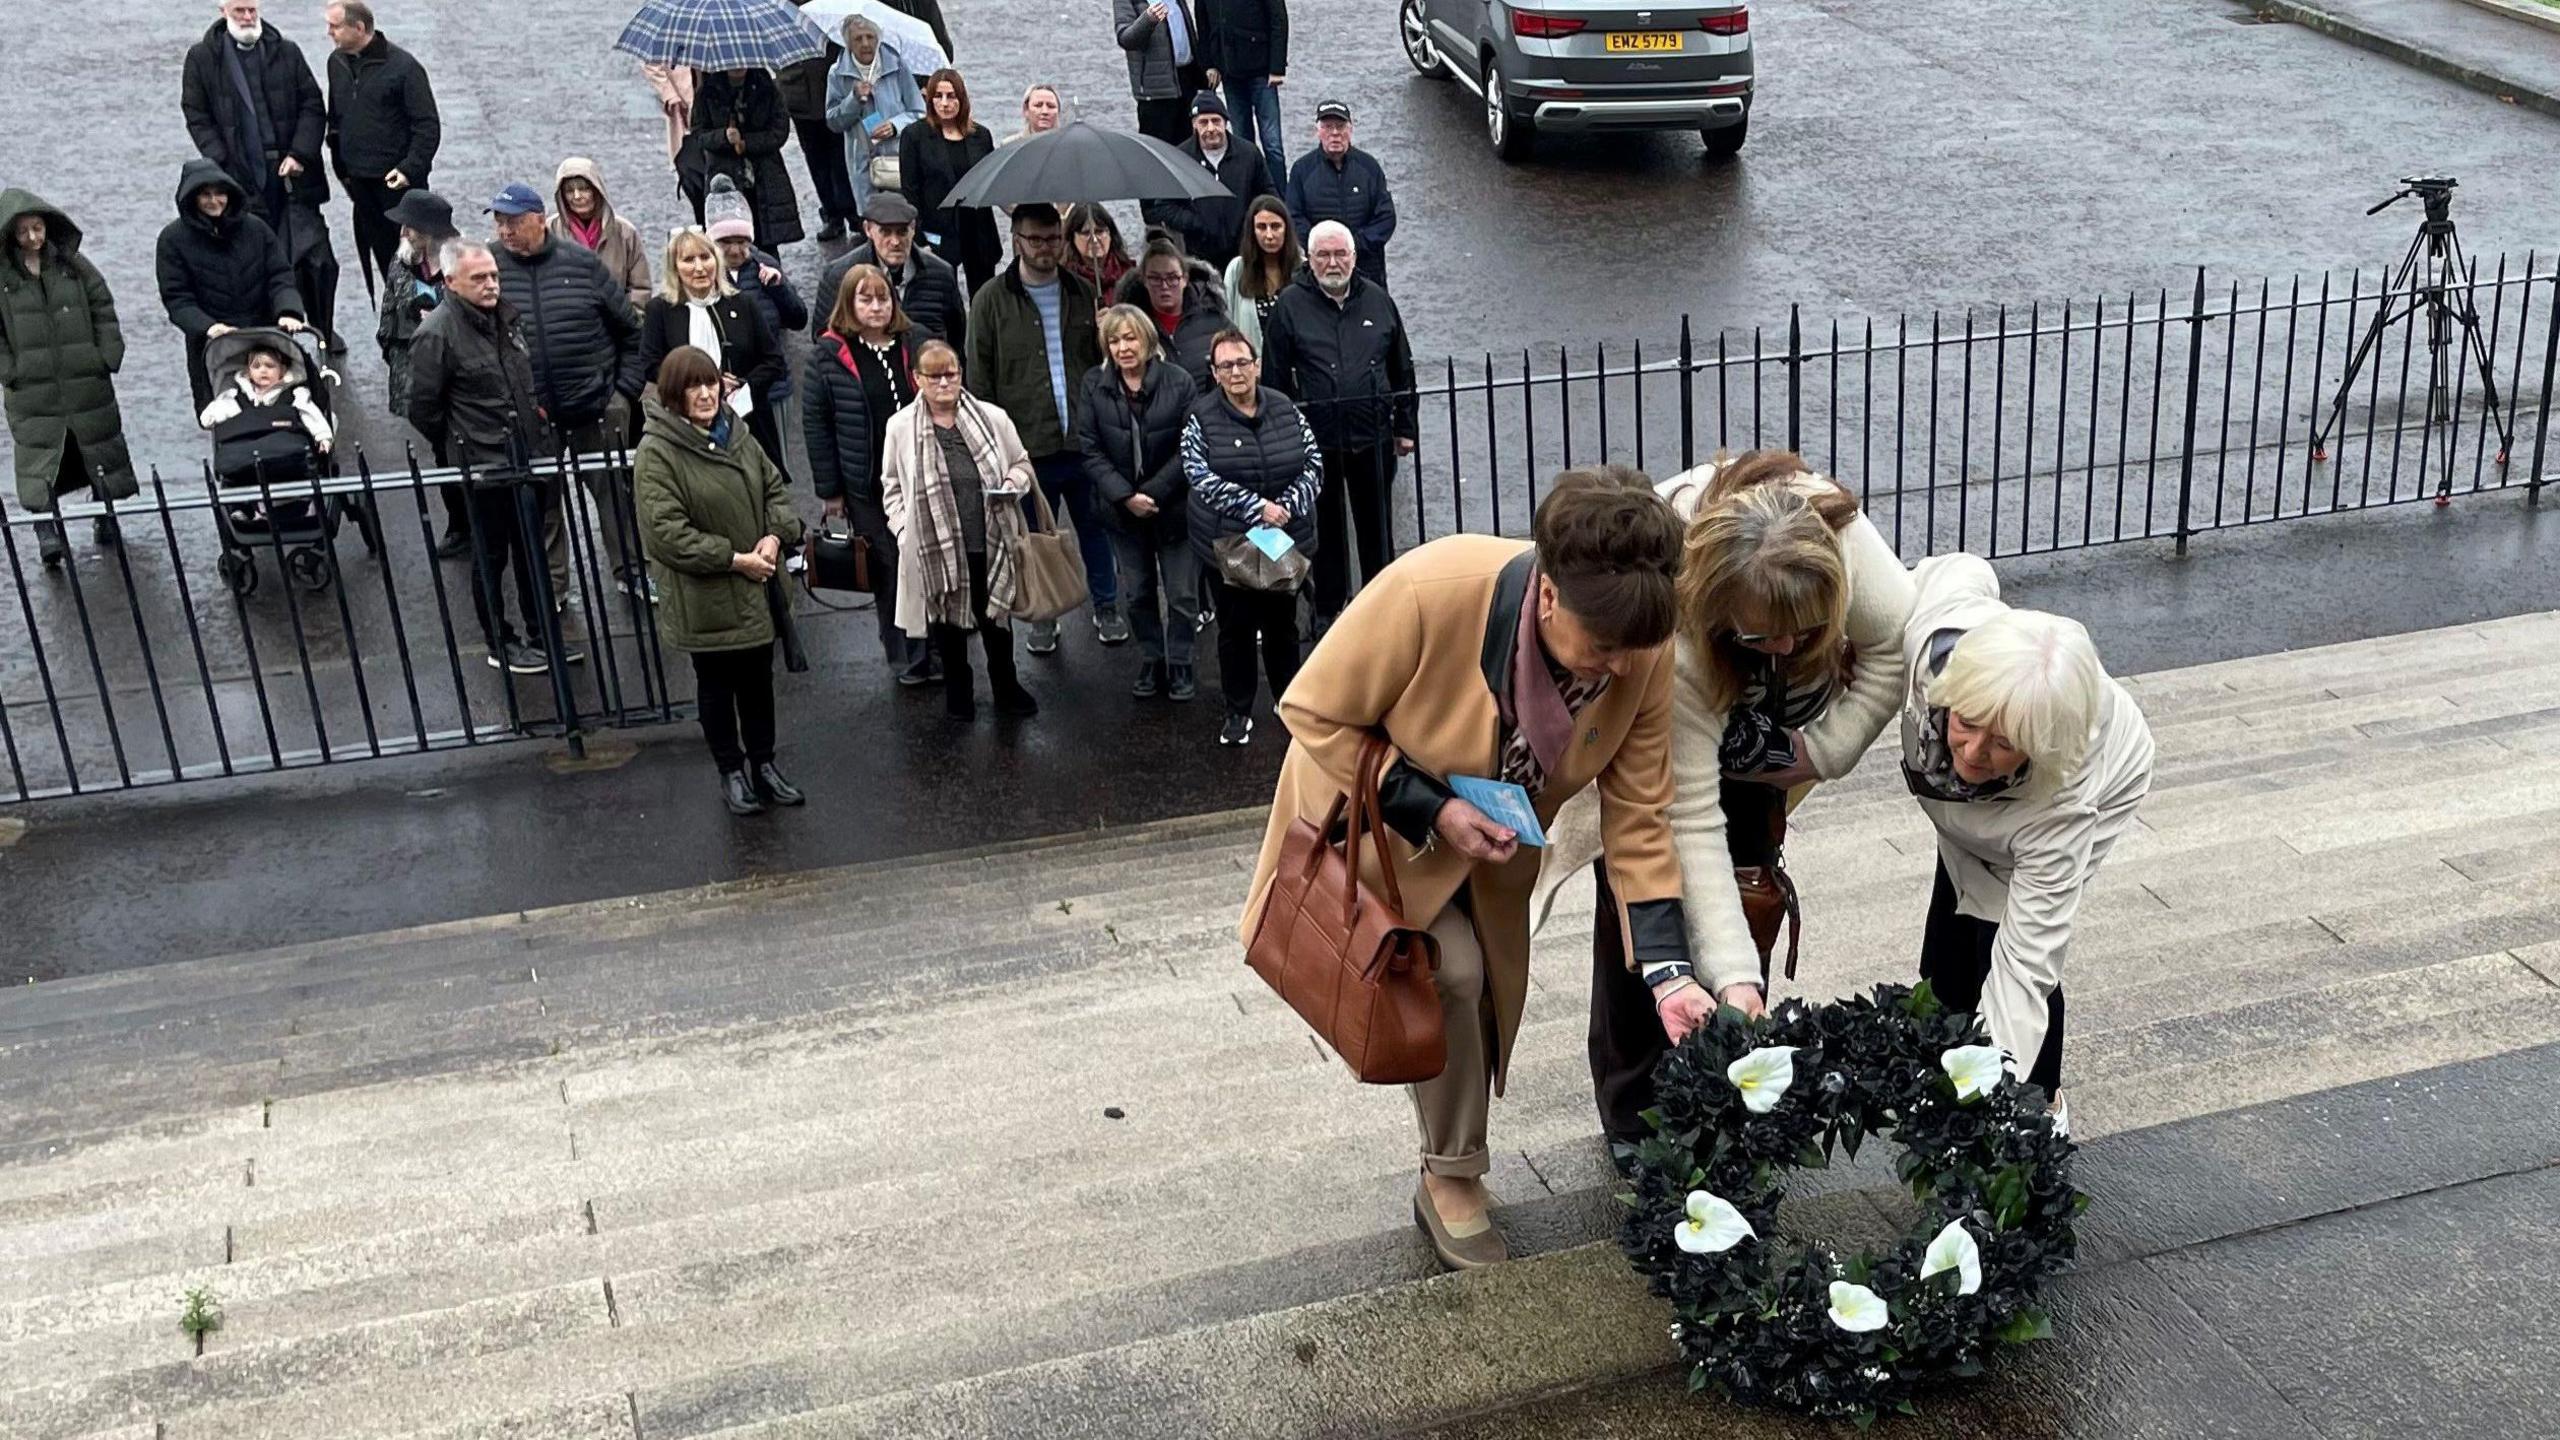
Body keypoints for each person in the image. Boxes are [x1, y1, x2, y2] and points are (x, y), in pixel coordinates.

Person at [1239, 468, 1706, 1269]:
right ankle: (1451, 1177)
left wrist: (1668, 972)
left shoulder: (1640, 645)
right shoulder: (1432, 588)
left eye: (1637, 652)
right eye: (1602, 651)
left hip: (1492, 851)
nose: (1621, 671)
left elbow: (1638, 815)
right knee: (1450, 973)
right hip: (1375, 823)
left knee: (1480, 987)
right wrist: (1433, 806)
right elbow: (1310, 708)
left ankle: (1448, 1163)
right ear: (1551, 597)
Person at [1536, 452, 1918, 1167]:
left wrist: (1823, 750)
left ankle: (1729, 1077)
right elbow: (1686, 820)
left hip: (1781, 738)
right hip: (1672, 729)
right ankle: (1633, 1114)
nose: (1781, 649)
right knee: (1641, 895)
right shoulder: (1679, 630)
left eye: (1802, 635)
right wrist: (1715, 967)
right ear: (1719, 613)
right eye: (1761, 636)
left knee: (1749, 882)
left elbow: (1893, 648)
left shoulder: (1852, 554)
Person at [1899, 553, 2154, 1132]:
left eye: (2002, 743)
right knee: (1951, 939)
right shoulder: (1934, 641)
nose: (1970, 752)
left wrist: (1985, 1090)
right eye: (1966, 722)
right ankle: (1945, 1047)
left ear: (2035, 745)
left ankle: (2037, 1106)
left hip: (2088, 785)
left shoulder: (2064, 805)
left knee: (1994, 932)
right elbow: (1960, 570)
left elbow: (2027, 961)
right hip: (1972, 814)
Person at [635, 344, 807, 816]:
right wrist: (735, 560)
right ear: (674, 395)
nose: (706, 393)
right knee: (716, 684)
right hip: (707, 596)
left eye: (711, 382)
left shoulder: (740, 435)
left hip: (757, 585)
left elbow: (775, 488)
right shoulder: (657, 453)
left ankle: (765, 766)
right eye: (694, 386)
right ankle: (731, 771)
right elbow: (667, 534)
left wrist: (774, 537)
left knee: (758, 682)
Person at [406, 239, 563, 675]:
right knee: (491, 557)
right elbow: (423, 407)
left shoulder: (505, 319)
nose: (491, 284)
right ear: (451, 282)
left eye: (493, 275)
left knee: (532, 552)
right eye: (479, 278)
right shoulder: (436, 333)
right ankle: (500, 640)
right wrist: (463, 443)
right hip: (483, 466)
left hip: (524, 457)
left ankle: (542, 635)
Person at [965, 205, 1115, 654]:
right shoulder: (989, 300)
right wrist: (993, 451)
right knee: (1032, 538)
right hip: (1028, 448)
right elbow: (979, 379)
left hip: (1082, 440)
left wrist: (1108, 334)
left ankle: (1107, 606)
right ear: (1015, 240)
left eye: (1053, 239)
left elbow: (1103, 369)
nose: (1047, 248)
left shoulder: (1084, 291)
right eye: (1036, 240)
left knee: (1095, 528)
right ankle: (1044, 616)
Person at [487, 182, 643, 602]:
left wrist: (622, 395)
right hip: (532, 418)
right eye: (500, 222)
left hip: (593, 407)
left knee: (614, 496)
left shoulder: (583, 264)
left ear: (539, 219)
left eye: (515, 221)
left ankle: (632, 572)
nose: (505, 231)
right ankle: (551, 589)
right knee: (543, 508)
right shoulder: (489, 270)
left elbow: (631, 332)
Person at [1261, 221, 1415, 637]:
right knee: (1325, 530)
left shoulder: (1379, 301)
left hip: (1373, 437)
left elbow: (1401, 366)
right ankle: (1328, 607)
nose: (1333, 262)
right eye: (1323, 255)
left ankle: (1382, 600)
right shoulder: (1290, 305)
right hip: (1318, 441)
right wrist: (1281, 439)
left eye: (1340, 254)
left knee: (1376, 526)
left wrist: (1406, 426)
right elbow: (1273, 379)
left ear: (1354, 257)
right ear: (1309, 261)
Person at [881, 340, 1042, 721]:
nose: (943, 383)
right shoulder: (900, 427)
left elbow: (1021, 462)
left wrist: (1011, 483)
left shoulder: (992, 417)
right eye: (933, 376)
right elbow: (891, 488)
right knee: (948, 627)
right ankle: (958, 694)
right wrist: (905, 532)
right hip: (936, 549)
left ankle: (1007, 688)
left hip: (990, 540)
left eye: (950, 373)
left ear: (960, 374)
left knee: (996, 622)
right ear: (917, 378)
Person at [1180, 329, 1317, 745]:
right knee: (1235, 631)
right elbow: (1198, 475)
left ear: (1256, 365)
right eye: (1226, 366)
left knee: (1282, 627)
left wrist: (1288, 506)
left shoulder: (1285, 407)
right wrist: (1257, 508)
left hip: (1282, 539)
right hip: (1229, 545)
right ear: (1215, 373)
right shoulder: (1200, 418)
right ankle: (1237, 711)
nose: (1236, 372)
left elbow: (1313, 462)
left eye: (1242, 362)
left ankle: (1287, 700)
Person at [180, 0, 340, 347]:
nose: (249, 17)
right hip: (241, 178)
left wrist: (299, 154)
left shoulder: (286, 51)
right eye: (240, 11)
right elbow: (196, 113)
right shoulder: (203, 58)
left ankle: (323, 330)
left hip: (292, 178)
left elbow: (312, 105)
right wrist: (221, 162)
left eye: (253, 10)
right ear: (223, 11)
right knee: (256, 256)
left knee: (316, 259)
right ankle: (270, 327)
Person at [805, 263, 932, 686]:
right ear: (849, 303)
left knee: (930, 563)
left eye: (883, 298)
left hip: (923, 477)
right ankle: (907, 658)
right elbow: (817, 425)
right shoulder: (828, 354)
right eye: (866, 299)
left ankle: (938, 649)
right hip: (867, 486)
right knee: (892, 570)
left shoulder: (915, 341)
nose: (876, 307)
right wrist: (830, 491)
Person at [1, 191, 139, 569]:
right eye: (24, 231)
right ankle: (47, 530)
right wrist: (10, 370)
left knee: (95, 445)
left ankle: (105, 511)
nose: (32, 238)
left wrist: (106, 354)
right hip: (32, 391)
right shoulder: (3, 280)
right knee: (40, 458)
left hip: (85, 380)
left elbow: (102, 306)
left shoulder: (73, 266)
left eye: (38, 228)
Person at [1079, 304, 1201, 702]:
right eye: (1114, 340)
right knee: (1138, 593)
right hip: (1121, 512)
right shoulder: (1093, 384)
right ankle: (1152, 657)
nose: (1123, 347)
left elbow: (1191, 446)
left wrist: (1156, 492)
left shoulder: (1179, 382)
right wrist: (1126, 497)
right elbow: (1090, 448)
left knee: (1182, 593)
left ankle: (1180, 660)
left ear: (1147, 339)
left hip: (1175, 509)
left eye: (1130, 337)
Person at [639, 229, 788, 509]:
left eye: (705, 257)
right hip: (688, 423)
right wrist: (696, 386)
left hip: (748, 420)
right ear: (675, 268)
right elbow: (650, 365)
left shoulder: (743, 303)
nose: (698, 267)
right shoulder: (661, 310)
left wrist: (744, 385)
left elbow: (773, 361)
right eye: (688, 260)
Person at [155, 159, 306, 411]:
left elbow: (279, 276)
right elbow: (177, 299)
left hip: (264, 334)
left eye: (220, 193)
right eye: (205, 195)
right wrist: (209, 327)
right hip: (213, 343)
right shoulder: (173, 241)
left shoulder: (256, 229)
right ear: (192, 198)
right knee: (221, 408)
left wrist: (288, 311)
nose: (214, 201)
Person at [374, 187, 467, 554]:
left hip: (458, 373)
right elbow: (387, 319)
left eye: (409, 227)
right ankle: (459, 524)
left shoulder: (462, 262)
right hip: (418, 373)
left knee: (463, 449)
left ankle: (478, 519)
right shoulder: (401, 263)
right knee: (442, 451)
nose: (403, 233)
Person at [322, 1, 437, 295]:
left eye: (335, 26)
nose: (329, 33)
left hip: (397, 187)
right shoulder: (336, 63)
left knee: (416, 260)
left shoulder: (404, 68)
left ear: (359, 28)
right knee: (385, 260)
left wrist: (408, 169)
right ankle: (395, 323)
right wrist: (342, 169)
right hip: (360, 184)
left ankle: (424, 322)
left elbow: (426, 126)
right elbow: (336, 119)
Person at [815, 193, 965, 351]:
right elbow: (824, 340)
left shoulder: (941, 274)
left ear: (913, 229)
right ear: (868, 230)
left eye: (902, 232)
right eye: (885, 232)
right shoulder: (838, 276)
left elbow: (956, 339)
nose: (895, 242)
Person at [899, 69, 1001, 298]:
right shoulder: (914, 136)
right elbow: (910, 191)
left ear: (961, 99)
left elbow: (990, 181)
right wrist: (918, 238)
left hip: (977, 230)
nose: (945, 103)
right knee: (942, 297)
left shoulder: (981, 136)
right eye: (938, 96)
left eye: (951, 96)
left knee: (983, 297)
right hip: (938, 231)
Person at [1147, 90, 1269, 272]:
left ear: (1225, 122)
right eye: (1203, 122)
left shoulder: (1249, 154)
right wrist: (1196, 223)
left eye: (1216, 121)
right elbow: (1163, 206)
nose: (1211, 128)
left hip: (1245, 250)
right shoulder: (1180, 157)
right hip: (1198, 253)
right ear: (1194, 125)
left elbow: (1267, 194)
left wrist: (1251, 223)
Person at [686, 67, 803, 249]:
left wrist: (747, 142)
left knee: (766, 243)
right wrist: (724, 137)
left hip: (764, 176)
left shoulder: (767, 87)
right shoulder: (708, 91)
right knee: (730, 243)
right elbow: (699, 133)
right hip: (725, 173)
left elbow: (779, 130)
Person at [715, 215, 809, 442]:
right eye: (727, 242)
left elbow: (798, 319)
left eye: (741, 242)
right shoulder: (706, 276)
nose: (735, 250)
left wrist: (778, 288)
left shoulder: (765, 266)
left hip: (772, 388)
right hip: (724, 394)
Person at [825, 16, 926, 224]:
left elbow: (918, 111)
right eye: (858, 39)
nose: (865, 44)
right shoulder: (837, 74)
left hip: (899, 159)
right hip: (864, 162)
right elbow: (833, 122)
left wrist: (894, 126)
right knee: (874, 223)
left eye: (870, 37)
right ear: (848, 43)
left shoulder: (896, 64)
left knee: (905, 219)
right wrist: (854, 100)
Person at [1285, 101, 1394, 289]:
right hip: (1320, 269)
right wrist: (1323, 247)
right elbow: (1294, 216)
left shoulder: (1369, 167)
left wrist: (1353, 245)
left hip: (1367, 269)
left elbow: (1386, 217)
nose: (1335, 133)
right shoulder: (1302, 170)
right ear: (1317, 131)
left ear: (1350, 130)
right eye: (1328, 127)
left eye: (1340, 126)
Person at [776, 8, 855, 244]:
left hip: (831, 88)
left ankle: (850, 211)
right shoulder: (780, 9)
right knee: (817, 160)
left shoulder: (826, 7)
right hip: (798, 93)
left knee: (842, 157)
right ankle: (832, 213)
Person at [1115, 237, 1227, 387]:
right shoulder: (1132, 327)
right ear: (1144, 280)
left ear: (1185, 279)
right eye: (1155, 278)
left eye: (1172, 278)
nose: (1164, 286)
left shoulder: (1214, 318)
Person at [1199, 0, 1288, 181]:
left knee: (1272, 143)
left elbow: (1278, 20)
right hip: (1229, 71)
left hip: (1261, 71)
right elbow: (1202, 25)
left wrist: (1276, 68)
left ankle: (1280, 199)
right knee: (1241, 141)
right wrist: (1209, 64)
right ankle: (1249, 195)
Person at [548, 159, 653, 314]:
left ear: (597, 190)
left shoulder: (624, 233)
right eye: (569, 191)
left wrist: (629, 322)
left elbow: (640, 288)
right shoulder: (549, 231)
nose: (577, 196)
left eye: (584, 188)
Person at [1113, 0, 1210, 147]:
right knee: (1159, 153)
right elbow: (1126, 39)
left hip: (1186, 83)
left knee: (1189, 152)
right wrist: (1148, 20)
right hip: (1156, 91)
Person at [1220, 193, 1298, 357]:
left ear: (1287, 229)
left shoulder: (1303, 269)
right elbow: (1226, 324)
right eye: (1261, 227)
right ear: (1252, 231)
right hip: (1250, 368)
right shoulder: (1237, 269)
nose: (1269, 235)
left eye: (1276, 226)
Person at [1062, 203, 1135, 304]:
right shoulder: (1064, 281)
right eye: (1086, 233)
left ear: (1111, 234)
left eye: (1099, 232)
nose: (1094, 240)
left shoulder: (1130, 277)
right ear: (1072, 238)